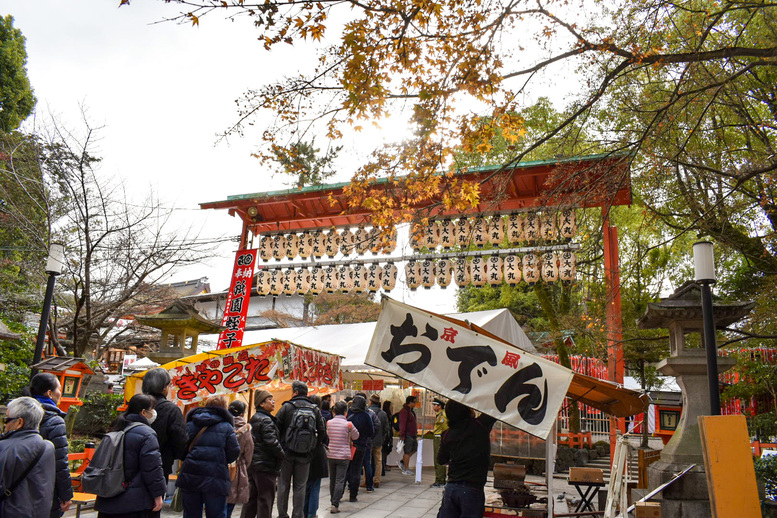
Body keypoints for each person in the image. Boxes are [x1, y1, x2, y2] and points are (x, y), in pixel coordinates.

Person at [94, 394, 166, 518]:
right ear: (144, 412)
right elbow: (152, 468)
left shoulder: (115, 427)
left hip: (108, 495)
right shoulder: (147, 433)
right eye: (152, 409)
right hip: (134, 501)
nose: (154, 412)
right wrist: (157, 494)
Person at [177, 395, 240, 518]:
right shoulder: (227, 427)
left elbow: (181, 450)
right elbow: (234, 452)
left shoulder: (191, 424)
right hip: (216, 478)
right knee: (216, 514)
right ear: (224, 408)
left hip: (191, 476)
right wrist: (221, 459)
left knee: (191, 514)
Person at [275, 381, 327, 518]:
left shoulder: (286, 407)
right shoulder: (314, 409)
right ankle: (297, 515)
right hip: (305, 455)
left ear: (295, 392)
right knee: (300, 486)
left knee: (283, 485)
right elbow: (322, 432)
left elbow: (275, 428)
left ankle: (282, 514)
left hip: (286, 453)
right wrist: (312, 448)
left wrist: (281, 447)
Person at [437, 400, 497, 518]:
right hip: (472, 489)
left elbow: (441, 460)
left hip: (452, 488)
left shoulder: (447, 434)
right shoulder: (480, 425)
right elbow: (495, 407)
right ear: (467, 410)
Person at [0, 396, 56, 518]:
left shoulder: (5, 447)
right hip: (40, 512)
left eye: (6, 420)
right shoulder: (48, 447)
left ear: (19, 422)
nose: (4, 425)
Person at [29, 372, 72, 517]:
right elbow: (59, 462)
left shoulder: (19, 414)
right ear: (49, 393)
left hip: (18, 485)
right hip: (45, 486)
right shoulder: (54, 421)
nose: (60, 393)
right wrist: (66, 494)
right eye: (59, 389)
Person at [241, 390, 284, 518]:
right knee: (265, 499)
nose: (273, 401)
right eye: (270, 399)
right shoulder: (266, 420)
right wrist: (282, 455)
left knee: (251, 499)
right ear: (261, 403)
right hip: (265, 465)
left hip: (254, 464)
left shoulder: (255, 418)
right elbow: (271, 442)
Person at [142, 368, 188, 482]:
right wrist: (174, 455)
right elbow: (180, 440)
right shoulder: (171, 409)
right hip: (159, 465)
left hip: (130, 465)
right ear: (164, 387)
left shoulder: (136, 405)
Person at [325, 401, 358, 514]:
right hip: (344, 456)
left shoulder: (329, 423)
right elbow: (356, 436)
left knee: (332, 480)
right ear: (345, 412)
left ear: (334, 411)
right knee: (340, 480)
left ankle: (332, 501)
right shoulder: (348, 425)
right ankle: (335, 504)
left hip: (331, 454)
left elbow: (327, 435)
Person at [227, 400, 254, 518]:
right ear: (242, 413)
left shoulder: (223, 424)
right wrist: (243, 465)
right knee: (232, 498)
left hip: (220, 465)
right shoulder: (245, 430)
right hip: (237, 467)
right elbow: (249, 452)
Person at [302, 395, 328, 518]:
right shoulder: (320, 418)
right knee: (315, 486)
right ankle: (312, 514)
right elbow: (324, 438)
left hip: (302, 454)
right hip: (317, 454)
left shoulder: (301, 416)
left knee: (304, 485)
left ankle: (303, 511)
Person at [345, 395, 373, 502]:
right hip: (361, 446)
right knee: (356, 470)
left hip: (348, 446)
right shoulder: (366, 416)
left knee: (347, 469)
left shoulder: (349, 414)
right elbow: (371, 432)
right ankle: (353, 495)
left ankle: (339, 494)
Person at [354, 392, 380, 492]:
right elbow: (377, 425)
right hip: (366, 441)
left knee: (355, 464)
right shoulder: (370, 413)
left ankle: (352, 486)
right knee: (366, 463)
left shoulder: (352, 412)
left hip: (355, 442)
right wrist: (371, 435)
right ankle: (369, 486)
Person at [368, 394, 389, 488]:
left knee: (367, 461)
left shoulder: (367, 412)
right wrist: (382, 436)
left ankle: (366, 480)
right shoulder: (383, 414)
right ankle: (377, 480)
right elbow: (386, 428)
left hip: (368, 440)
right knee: (378, 461)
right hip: (378, 440)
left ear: (371, 402)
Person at [397, 395, 418, 475]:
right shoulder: (404, 411)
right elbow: (402, 423)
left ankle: (403, 462)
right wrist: (402, 435)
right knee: (407, 451)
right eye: (414, 402)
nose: (415, 404)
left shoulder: (411, 411)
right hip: (408, 435)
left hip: (413, 435)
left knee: (414, 449)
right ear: (410, 402)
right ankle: (406, 468)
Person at [431, 398, 449, 488]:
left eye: (435, 405)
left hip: (439, 438)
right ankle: (440, 479)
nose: (433, 406)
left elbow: (445, 428)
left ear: (439, 406)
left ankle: (440, 480)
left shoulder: (442, 415)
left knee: (438, 459)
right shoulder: (440, 414)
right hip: (438, 437)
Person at [381, 400, 393, 475]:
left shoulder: (386, 414)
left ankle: (384, 464)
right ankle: (383, 465)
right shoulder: (386, 414)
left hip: (387, 435)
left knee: (385, 451)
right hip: (386, 436)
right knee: (384, 451)